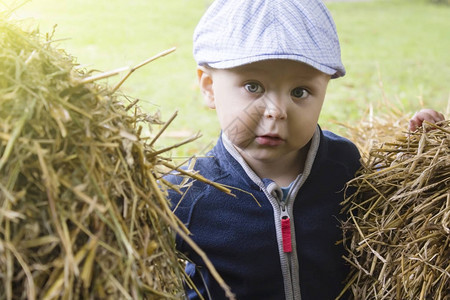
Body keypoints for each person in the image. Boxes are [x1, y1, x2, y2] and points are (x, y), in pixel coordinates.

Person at [164, 1, 445, 299]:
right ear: (209, 87)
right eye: (253, 87)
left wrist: (417, 155)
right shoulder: (188, 193)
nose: (276, 111)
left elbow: (388, 199)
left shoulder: (343, 164)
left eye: (300, 92)